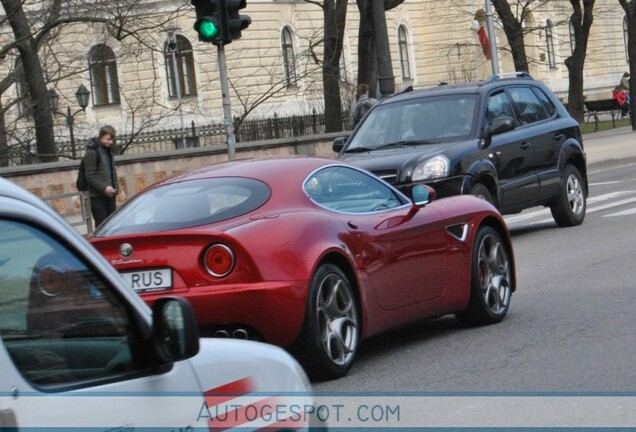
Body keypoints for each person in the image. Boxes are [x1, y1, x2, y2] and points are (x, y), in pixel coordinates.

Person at [82, 125, 118, 227]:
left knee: (112, 224)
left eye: (112, 140)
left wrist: (117, 188)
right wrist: (104, 188)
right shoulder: (92, 152)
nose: (110, 142)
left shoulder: (108, 151)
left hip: (110, 195)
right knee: (102, 225)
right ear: (101, 136)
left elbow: (112, 171)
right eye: (108, 139)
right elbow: (89, 176)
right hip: (97, 196)